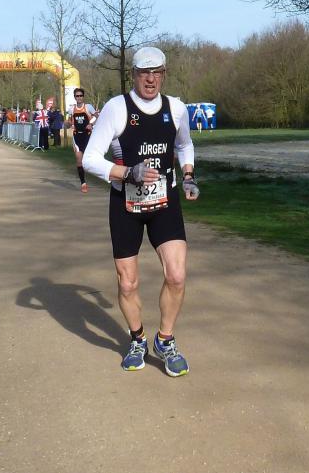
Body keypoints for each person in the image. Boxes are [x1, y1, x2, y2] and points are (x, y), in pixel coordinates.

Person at [83, 46, 199, 377]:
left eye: (157, 72)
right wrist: (127, 172)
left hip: (165, 202)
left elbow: (184, 145)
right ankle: (137, 340)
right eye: (144, 73)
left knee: (177, 275)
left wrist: (188, 175)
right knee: (128, 283)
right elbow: (90, 158)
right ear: (133, 75)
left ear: (164, 74)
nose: (150, 79)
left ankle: (165, 339)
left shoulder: (176, 108)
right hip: (126, 205)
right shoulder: (117, 108)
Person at [68, 88, 97, 193]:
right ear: (74, 97)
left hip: (87, 136)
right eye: (77, 96)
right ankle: (83, 183)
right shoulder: (72, 109)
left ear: (83, 96)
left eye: (81, 95)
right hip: (77, 136)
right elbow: (69, 120)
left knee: (89, 160)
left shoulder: (88, 107)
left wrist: (91, 124)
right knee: (79, 159)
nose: (79, 97)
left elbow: (97, 116)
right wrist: (70, 124)